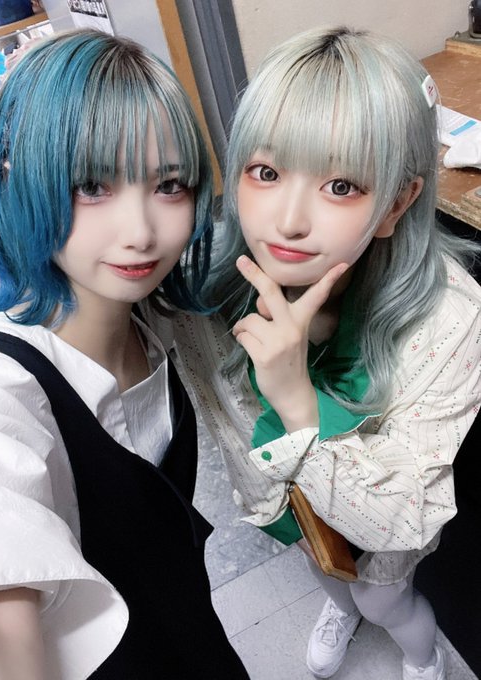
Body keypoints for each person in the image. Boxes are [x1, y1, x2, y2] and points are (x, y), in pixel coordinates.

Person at [150, 27, 481, 680]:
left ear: (397, 203)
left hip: (383, 530)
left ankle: (423, 658)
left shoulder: (450, 316)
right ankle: (340, 603)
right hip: (284, 503)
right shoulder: (205, 289)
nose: (288, 220)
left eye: (341, 186)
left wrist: (297, 401)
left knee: (384, 598)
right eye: (266, 173)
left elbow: (406, 518)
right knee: (324, 567)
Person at [0, 30, 249, 680]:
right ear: (14, 180)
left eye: (169, 184)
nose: (141, 232)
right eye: (91, 185)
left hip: (196, 634)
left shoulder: (152, 311)